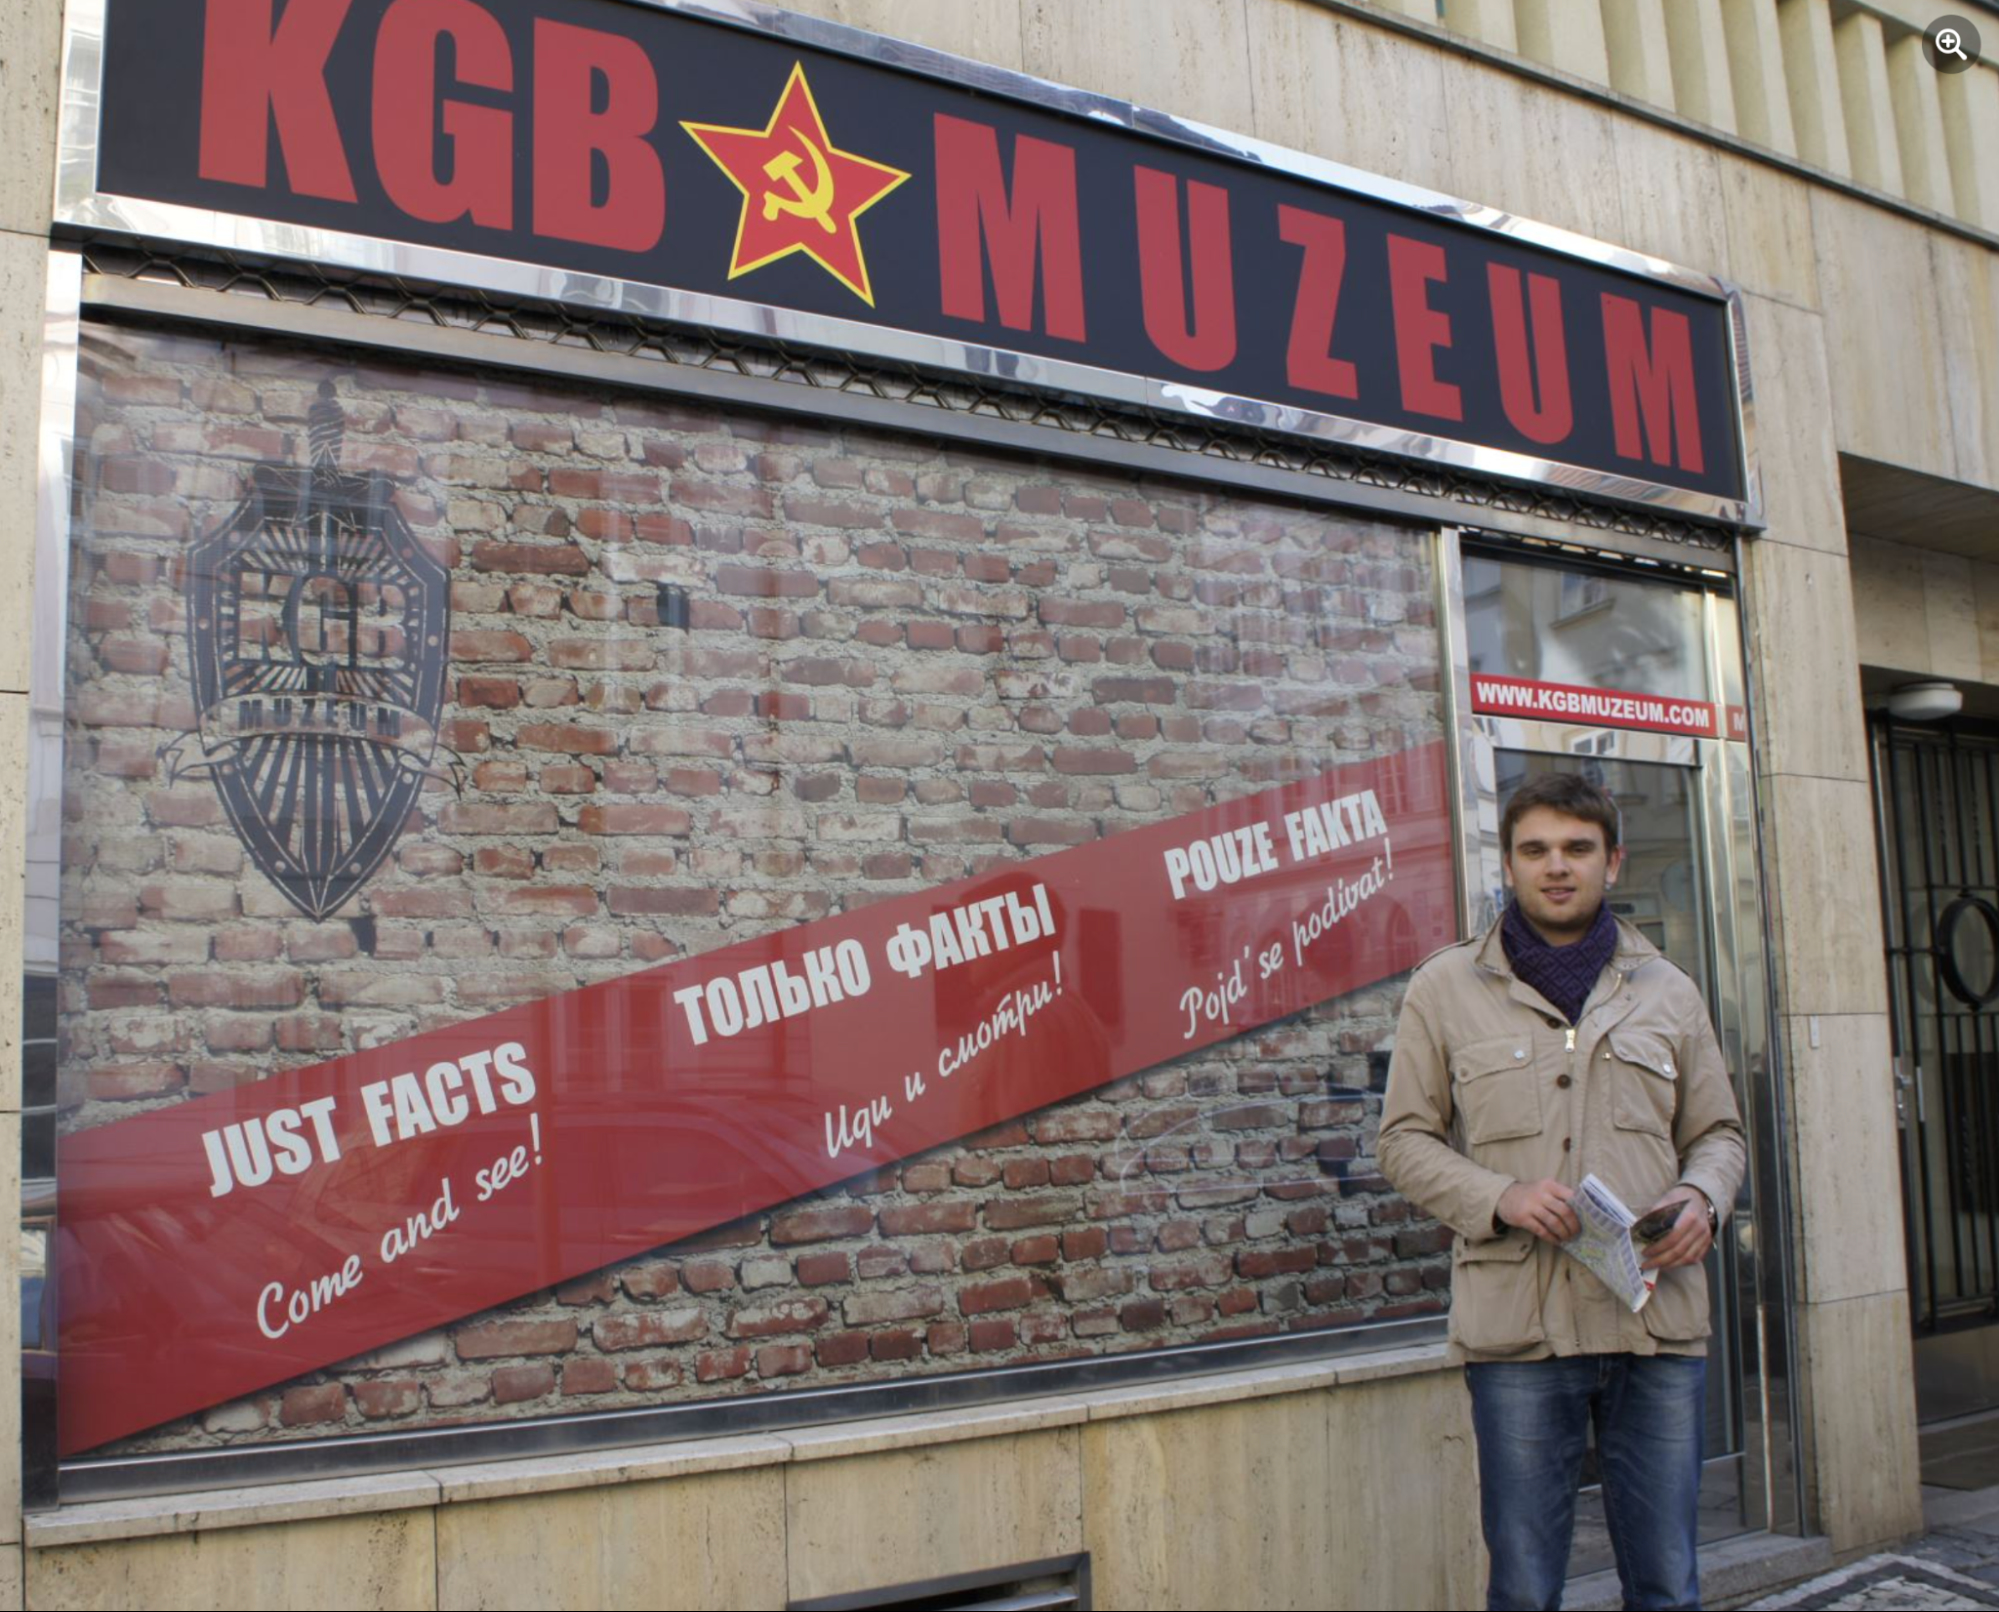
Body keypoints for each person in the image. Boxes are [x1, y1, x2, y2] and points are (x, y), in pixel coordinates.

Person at [1377, 772, 1745, 1612]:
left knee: (1664, 1584)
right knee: (1525, 1587)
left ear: (1611, 862)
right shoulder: (1444, 990)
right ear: (1506, 864)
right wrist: (1498, 1196)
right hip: (1518, 1337)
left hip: (1654, 1326)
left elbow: (1719, 1135)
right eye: (1534, 849)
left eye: (1577, 849)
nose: (1556, 867)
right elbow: (1402, 1141)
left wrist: (1701, 1199)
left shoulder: (1668, 990)